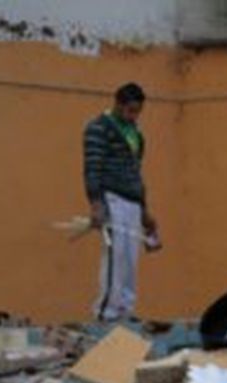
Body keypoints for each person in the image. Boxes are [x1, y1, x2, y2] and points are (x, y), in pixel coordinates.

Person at [83, 82, 158, 322]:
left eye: (137, 111)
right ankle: (107, 311)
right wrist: (96, 203)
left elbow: (137, 172)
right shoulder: (98, 129)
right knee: (116, 255)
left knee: (130, 258)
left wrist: (145, 210)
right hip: (112, 197)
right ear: (118, 104)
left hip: (133, 201)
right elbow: (92, 167)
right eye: (130, 110)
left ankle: (126, 309)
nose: (133, 116)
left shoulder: (136, 134)